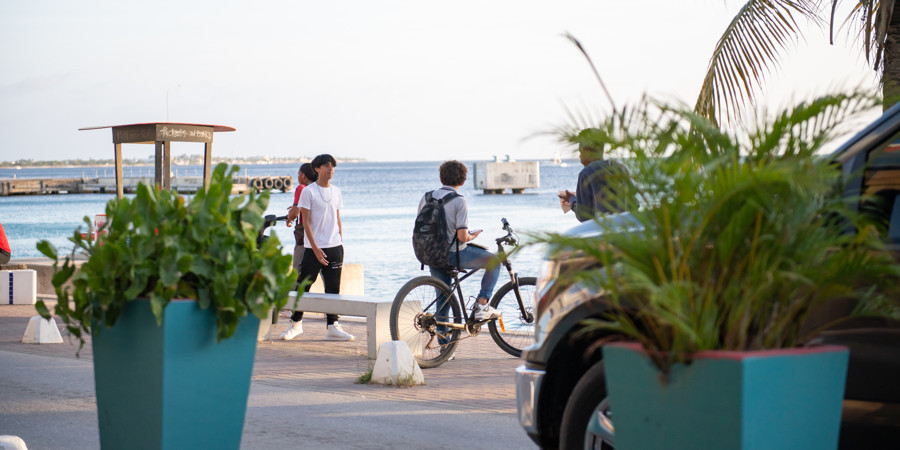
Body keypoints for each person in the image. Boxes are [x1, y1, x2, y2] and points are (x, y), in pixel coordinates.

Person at [280, 154, 355, 341]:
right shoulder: (309, 192)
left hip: (334, 246)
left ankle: (333, 325)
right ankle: (296, 324)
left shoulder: (336, 191)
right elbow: (306, 222)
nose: (330, 169)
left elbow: (337, 218)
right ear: (317, 169)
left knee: (333, 288)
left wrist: (340, 241)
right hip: (313, 248)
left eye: (332, 166)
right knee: (303, 285)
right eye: (326, 166)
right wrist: (314, 248)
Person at [420, 160, 502, 322]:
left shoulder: (427, 197)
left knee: (443, 297)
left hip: (430, 253)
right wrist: (473, 235)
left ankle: (443, 337)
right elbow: (462, 237)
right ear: (463, 181)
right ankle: (482, 305)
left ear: (440, 178)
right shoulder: (459, 200)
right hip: (452, 254)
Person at [559, 128, 634, 222]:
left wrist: (572, 200)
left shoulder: (586, 174)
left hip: (601, 229)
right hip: (624, 228)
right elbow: (634, 204)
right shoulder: (621, 169)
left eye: (580, 152)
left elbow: (583, 216)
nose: (579, 156)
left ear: (587, 151)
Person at [285, 163, 318, 283]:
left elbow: (294, 213)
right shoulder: (318, 188)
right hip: (320, 234)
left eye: (298, 174)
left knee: (297, 272)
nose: (298, 176)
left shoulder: (301, 188)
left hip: (304, 235)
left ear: (303, 175)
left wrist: (290, 217)